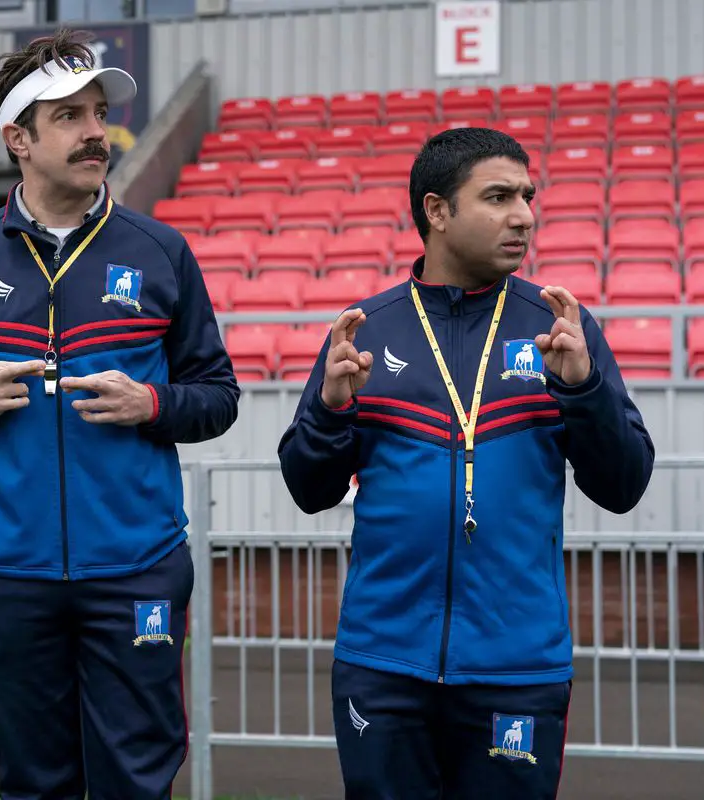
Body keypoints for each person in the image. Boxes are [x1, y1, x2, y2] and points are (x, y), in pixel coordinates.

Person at [0, 28, 239, 800]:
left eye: (99, 113)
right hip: (4, 570)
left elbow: (218, 396)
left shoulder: (160, 252)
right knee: (34, 780)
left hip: (135, 566)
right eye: (70, 116)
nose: (96, 132)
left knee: (137, 780)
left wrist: (151, 403)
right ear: (17, 139)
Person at [278, 128, 655, 799]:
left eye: (528, 197)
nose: (524, 216)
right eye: (499, 197)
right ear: (438, 211)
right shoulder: (369, 330)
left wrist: (584, 391)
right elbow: (308, 489)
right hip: (383, 662)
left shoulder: (558, 327)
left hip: (516, 666)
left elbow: (624, 485)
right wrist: (332, 411)